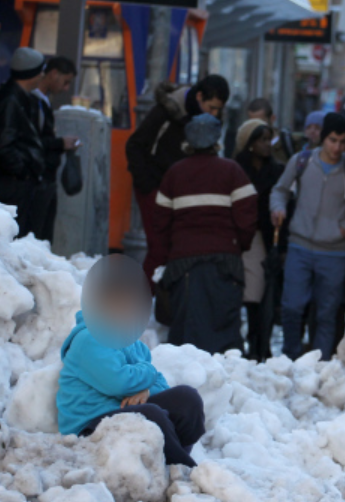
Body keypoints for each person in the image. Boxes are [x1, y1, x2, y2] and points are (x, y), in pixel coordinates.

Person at [57, 255, 205, 468]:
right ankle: (186, 471)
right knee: (151, 415)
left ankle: (169, 462)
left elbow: (160, 385)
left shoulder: (131, 341)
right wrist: (144, 377)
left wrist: (144, 388)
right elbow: (119, 382)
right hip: (90, 429)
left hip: (122, 416)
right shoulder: (88, 339)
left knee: (187, 399)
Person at [270, 112, 345, 361]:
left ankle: (319, 362)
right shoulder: (302, 162)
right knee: (292, 306)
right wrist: (278, 208)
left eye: (342, 142)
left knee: (327, 313)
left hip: (334, 252)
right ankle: (290, 358)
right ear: (322, 138)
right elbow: (280, 190)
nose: (337, 147)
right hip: (299, 245)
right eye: (332, 140)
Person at [150, 114, 258, 354]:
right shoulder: (233, 171)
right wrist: (238, 245)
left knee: (187, 332)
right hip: (225, 262)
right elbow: (248, 216)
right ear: (216, 140)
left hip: (183, 265)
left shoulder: (174, 174)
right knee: (223, 331)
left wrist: (170, 253)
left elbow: (160, 223)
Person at [125, 75, 230, 281]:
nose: (214, 114)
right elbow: (135, 145)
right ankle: (146, 297)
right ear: (199, 96)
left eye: (218, 109)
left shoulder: (210, 119)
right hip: (155, 186)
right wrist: (146, 184)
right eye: (211, 107)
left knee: (178, 248)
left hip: (185, 193)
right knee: (160, 247)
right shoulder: (167, 111)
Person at [233, 119, 285, 360]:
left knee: (257, 293)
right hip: (235, 236)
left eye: (268, 139)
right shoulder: (235, 169)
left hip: (259, 237)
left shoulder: (276, 171)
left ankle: (257, 341)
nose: (267, 145)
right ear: (249, 143)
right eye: (262, 139)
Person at [0, 47, 48, 238]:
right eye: (40, 71)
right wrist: (23, 172)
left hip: (15, 179)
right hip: (13, 182)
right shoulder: (11, 100)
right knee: (13, 233)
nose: (43, 75)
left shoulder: (19, 97)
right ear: (31, 74)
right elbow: (3, 144)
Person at [30, 56, 79, 242]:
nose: (66, 88)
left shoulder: (43, 102)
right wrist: (60, 143)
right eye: (65, 82)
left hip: (44, 177)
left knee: (43, 233)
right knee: (38, 234)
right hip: (38, 177)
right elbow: (33, 140)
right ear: (53, 74)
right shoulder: (34, 102)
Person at [246, 98, 294, 164]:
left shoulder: (286, 142)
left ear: (272, 119)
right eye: (252, 123)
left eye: (260, 123)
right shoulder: (246, 143)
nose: (255, 127)